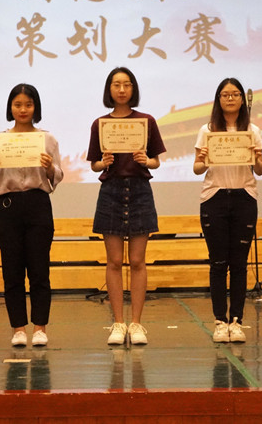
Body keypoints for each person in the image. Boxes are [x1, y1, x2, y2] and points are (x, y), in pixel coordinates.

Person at [86, 67, 166, 345]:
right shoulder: (100, 124)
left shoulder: (146, 121)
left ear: (133, 89)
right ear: (109, 89)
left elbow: (156, 161)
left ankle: (137, 324)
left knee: (138, 261)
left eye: (127, 84)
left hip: (140, 190)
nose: (122, 89)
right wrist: (103, 162)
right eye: (116, 84)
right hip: (111, 191)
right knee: (114, 262)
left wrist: (146, 160)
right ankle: (118, 323)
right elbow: (94, 164)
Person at [0, 84, 63, 347]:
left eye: (28, 104)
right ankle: (18, 329)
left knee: (39, 270)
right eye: (17, 105)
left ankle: (40, 328)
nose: (23, 109)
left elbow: (58, 175)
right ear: (10, 108)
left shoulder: (47, 139)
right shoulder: (0, 139)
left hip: (38, 204)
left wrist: (49, 167)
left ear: (35, 107)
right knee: (12, 272)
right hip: (8, 206)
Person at [193, 78, 262, 343]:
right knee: (218, 263)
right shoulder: (207, 130)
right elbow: (197, 168)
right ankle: (219, 322)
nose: (231, 98)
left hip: (245, 197)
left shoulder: (252, 130)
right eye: (225, 94)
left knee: (239, 264)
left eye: (235, 94)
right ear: (218, 99)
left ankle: (236, 321)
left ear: (242, 99)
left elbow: (260, 170)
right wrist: (205, 158)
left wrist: (256, 157)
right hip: (214, 197)